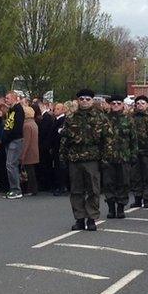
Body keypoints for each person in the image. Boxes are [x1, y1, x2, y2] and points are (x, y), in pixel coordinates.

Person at [61, 89, 110, 231]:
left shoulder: (100, 117)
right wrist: (62, 157)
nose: (84, 101)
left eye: (87, 99)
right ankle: (79, 218)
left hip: (92, 158)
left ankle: (91, 218)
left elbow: (107, 139)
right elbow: (65, 139)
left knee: (93, 190)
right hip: (75, 158)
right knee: (76, 190)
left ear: (92, 101)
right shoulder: (71, 118)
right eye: (81, 99)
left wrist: (106, 159)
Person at [103, 95, 134, 219]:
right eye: (113, 103)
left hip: (124, 157)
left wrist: (134, 155)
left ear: (122, 105)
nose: (115, 105)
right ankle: (111, 208)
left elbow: (133, 139)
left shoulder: (128, 120)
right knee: (109, 183)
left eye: (118, 103)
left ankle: (120, 207)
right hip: (108, 157)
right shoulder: (105, 120)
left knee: (124, 183)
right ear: (110, 105)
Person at [131, 96, 148, 208]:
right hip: (135, 151)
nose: (140, 105)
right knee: (136, 176)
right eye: (138, 103)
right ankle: (137, 198)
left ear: (147, 105)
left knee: (147, 176)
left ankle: (146, 199)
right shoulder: (131, 118)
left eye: (142, 103)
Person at [0, 91, 26, 199]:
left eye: (8, 98)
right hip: (9, 140)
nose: (6, 100)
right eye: (5, 98)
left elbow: (17, 128)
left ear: (15, 98)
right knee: (10, 165)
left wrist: (8, 137)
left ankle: (16, 189)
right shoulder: (11, 110)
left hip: (15, 140)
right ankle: (12, 188)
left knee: (11, 164)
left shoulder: (18, 110)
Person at [20, 103, 40, 196]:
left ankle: (31, 189)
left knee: (29, 172)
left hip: (29, 151)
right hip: (34, 150)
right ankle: (33, 189)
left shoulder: (26, 125)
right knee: (31, 171)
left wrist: (23, 154)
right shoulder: (34, 123)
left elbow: (26, 141)